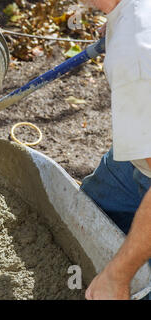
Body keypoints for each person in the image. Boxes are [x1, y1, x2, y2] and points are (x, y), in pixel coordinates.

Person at [77, 0, 151, 300]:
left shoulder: (135, 56)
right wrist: (120, 20)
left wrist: (117, 275)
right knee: (90, 210)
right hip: (139, 157)